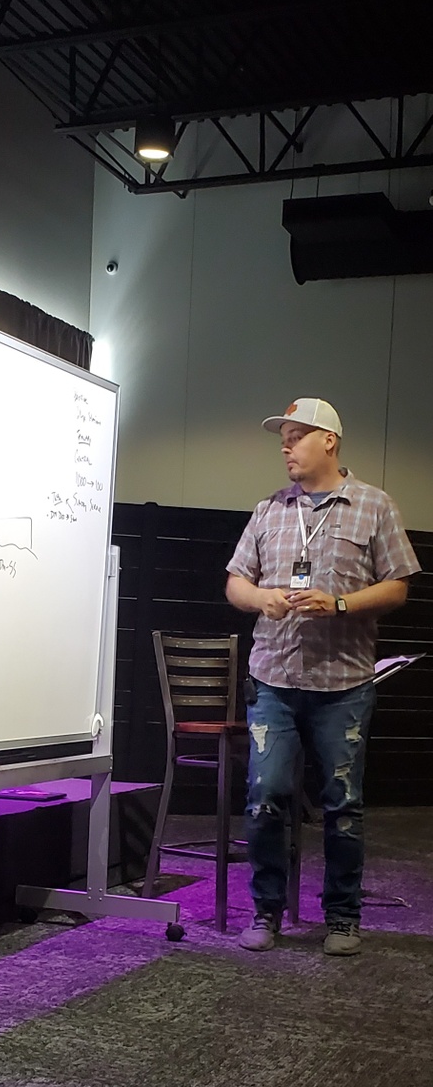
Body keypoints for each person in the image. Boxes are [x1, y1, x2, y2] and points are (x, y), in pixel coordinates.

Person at [225, 397, 420, 955]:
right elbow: (235, 582)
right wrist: (261, 598)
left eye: (296, 437)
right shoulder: (269, 509)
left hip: (343, 685)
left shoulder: (374, 506)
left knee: (342, 804)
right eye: (283, 440)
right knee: (265, 796)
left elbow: (399, 585)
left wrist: (339, 604)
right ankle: (266, 911)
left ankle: (342, 917)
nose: (286, 448)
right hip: (274, 680)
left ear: (329, 441)